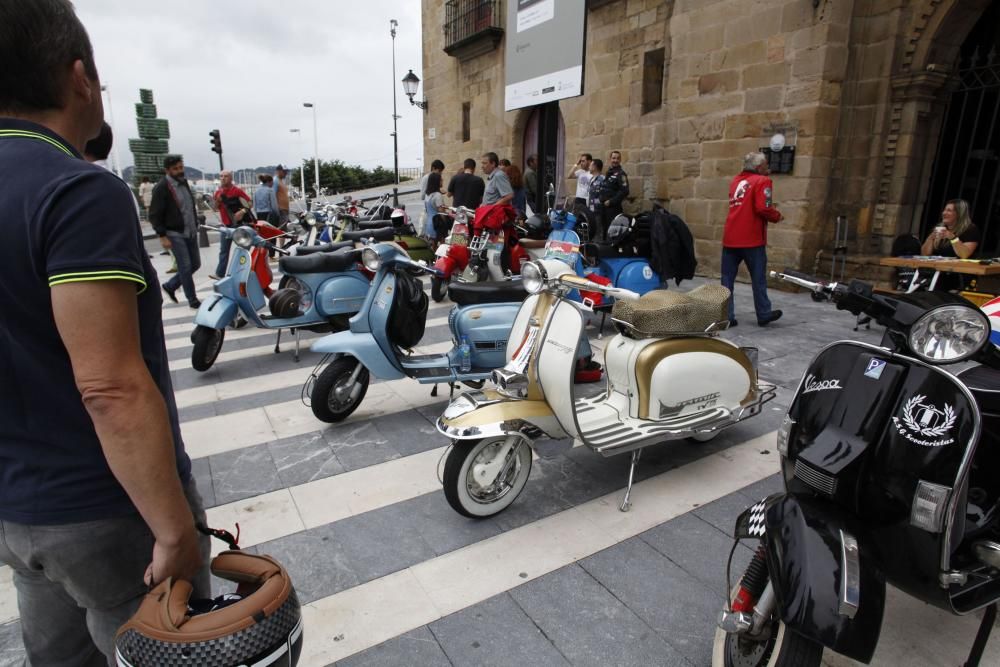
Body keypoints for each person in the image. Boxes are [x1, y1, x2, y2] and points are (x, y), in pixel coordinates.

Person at [0, 1, 208, 662]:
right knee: (170, 650)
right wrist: (175, 529)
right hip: (107, 513)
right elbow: (111, 387)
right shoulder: (76, 192)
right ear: (80, 77)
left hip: (17, 510)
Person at [721, 152, 784, 327]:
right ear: (758, 167)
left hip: (731, 237)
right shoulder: (762, 181)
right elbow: (763, 208)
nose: (768, 168)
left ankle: (727, 315)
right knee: (758, 279)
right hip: (751, 238)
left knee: (727, 279)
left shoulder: (736, 181)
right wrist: (777, 216)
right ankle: (763, 313)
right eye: (765, 165)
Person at [150, 155, 203, 308]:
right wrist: (162, 235)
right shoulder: (162, 188)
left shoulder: (184, 183)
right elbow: (154, 214)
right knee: (185, 266)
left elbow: (189, 206)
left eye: (181, 167)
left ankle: (171, 285)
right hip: (175, 232)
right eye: (175, 169)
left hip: (190, 231)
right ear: (167, 170)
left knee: (195, 264)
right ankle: (192, 299)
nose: (180, 171)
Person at [919, 199, 980, 290]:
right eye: (944, 210)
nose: (944, 213)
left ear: (959, 214)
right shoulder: (939, 228)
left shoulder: (970, 230)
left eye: (949, 210)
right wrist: (930, 238)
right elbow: (924, 254)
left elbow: (964, 254)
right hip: (937, 272)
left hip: (957, 275)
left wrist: (952, 238)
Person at [212, 170, 252, 278]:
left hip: (238, 224)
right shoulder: (218, 193)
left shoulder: (237, 191)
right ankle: (220, 273)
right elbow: (215, 208)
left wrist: (242, 211)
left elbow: (249, 202)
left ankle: (242, 270)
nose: (223, 178)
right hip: (225, 226)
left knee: (243, 249)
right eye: (221, 176)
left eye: (226, 176)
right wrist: (218, 201)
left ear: (230, 178)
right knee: (224, 251)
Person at [602, 150, 630, 223]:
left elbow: (625, 191)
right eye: (614, 158)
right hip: (604, 208)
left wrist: (611, 201)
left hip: (614, 209)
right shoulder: (609, 172)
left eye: (618, 158)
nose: (615, 160)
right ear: (610, 159)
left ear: (620, 160)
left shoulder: (621, 174)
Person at [423, 159, 445, 236]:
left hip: (428, 224)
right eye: (441, 180)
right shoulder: (437, 195)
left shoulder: (427, 195)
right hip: (436, 224)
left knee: (432, 246)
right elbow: (442, 213)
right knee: (441, 246)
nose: (442, 180)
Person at [587, 158, 606, 241]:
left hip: (598, 210)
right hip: (590, 210)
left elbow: (604, 196)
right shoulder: (592, 179)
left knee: (598, 231)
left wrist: (594, 203)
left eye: (590, 165)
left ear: (595, 167)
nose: (589, 167)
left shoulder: (602, 179)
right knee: (592, 230)